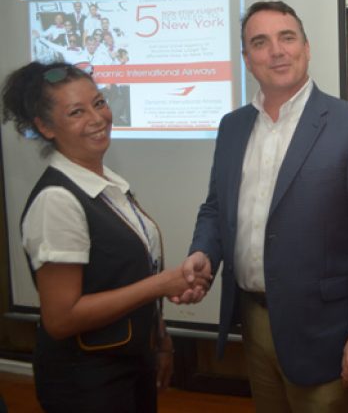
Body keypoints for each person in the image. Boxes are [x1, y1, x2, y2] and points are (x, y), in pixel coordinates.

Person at [179, 0, 348, 413]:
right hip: (253, 318)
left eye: (287, 38)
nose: (276, 51)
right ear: (246, 58)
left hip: (327, 330)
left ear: (307, 48)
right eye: (260, 42)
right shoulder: (232, 126)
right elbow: (215, 207)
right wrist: (203, 251)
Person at [0, 62, 211, 412]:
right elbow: (61, 317)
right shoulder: (57, 201)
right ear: (45, 127)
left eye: (99, 103)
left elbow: (128, 274)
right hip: (86, 382)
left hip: (129, 363)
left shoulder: (107, 185)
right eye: (76, 112)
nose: (97, 118)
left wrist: (159, 340)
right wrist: (161, 284)